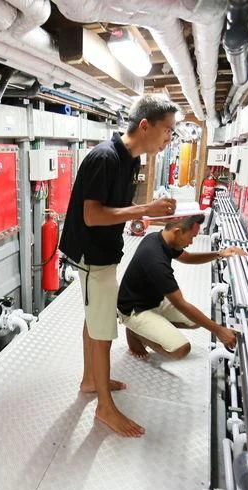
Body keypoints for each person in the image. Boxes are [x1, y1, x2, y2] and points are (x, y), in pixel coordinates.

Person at [59, 94, 178, 438]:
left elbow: (114, 209)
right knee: (103, 331)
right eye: (167, 130)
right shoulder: (105, 158)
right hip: (92, 255)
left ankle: (90, 379)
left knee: (94, 319)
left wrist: (145, 214)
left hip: (105, 250)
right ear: (145, 125)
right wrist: (144, 210)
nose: (169, 138)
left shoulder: (129, 160)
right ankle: (105, 408)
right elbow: (91, 214)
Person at [118, 215, 244, 362]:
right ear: (177, 232)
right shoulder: (155, 259)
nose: (191, 242)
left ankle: (148, 328)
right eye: (191, 237)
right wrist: (219, 330)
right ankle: (137, 333)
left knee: (197, 321)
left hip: (154, 301)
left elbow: (187, 257)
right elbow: (181, 304)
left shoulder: (160, 239)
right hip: (135, 309)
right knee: (182, 350)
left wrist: (219, 254)